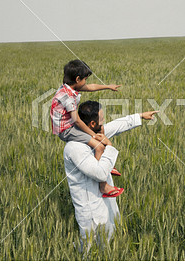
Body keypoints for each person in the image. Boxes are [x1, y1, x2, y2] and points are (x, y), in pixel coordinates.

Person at [63, 100, 158, 252]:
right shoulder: (75, 147)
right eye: (102, 119)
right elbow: (100, 173)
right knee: (89, 249)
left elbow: (116, 125)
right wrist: (110, 148)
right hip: (90, 208)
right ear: (93, 123)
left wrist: (140, 116)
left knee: (109, 246)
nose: (104, 122)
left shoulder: (94, 134)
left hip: (105, 203)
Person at [50, 59, 123, 197]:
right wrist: (92, 135)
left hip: (69, 125)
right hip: (66, 130)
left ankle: (106, 166)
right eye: (85, 79)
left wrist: (108, 86)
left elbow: (91, 87)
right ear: (77, 79)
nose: (86, 82)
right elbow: (76, 120)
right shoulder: (68, 97)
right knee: (99, 146)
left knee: (100, 130)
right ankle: (102, 185)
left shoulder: (69, 87)